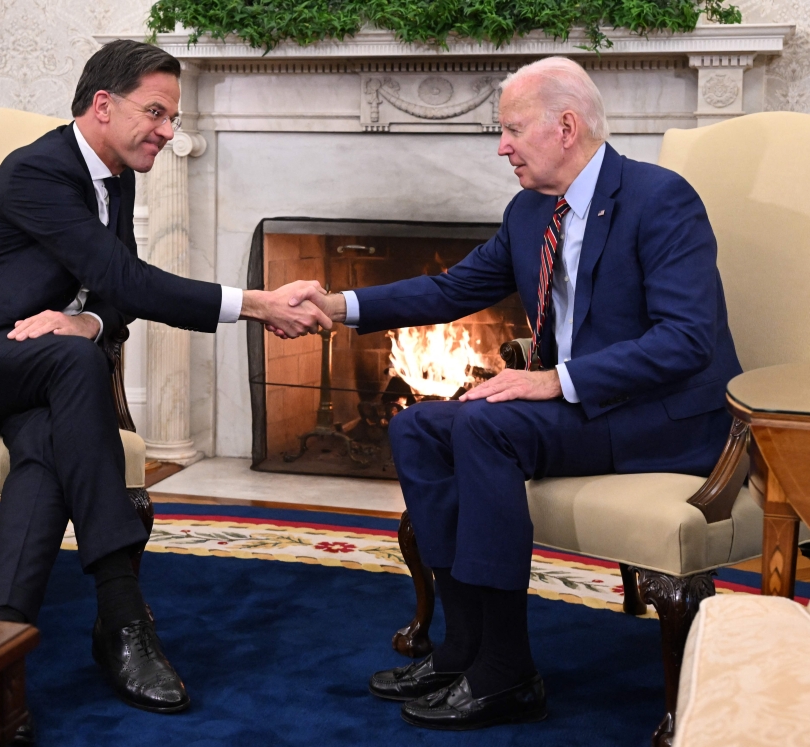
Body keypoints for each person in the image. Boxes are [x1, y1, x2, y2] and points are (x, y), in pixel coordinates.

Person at [295, 56, 742, 731]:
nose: (501, 146)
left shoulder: (661, 198)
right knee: (418, 427)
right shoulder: (532, 211)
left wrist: (552, 379)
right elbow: (450, 290)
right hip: (584, 412)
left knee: (483, 425)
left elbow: (687, 341)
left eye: (511, 129)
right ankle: (463, 647)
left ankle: (506, 671)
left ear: (565, 126)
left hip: (669, 420)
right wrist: (333, 304)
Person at [0, 40, 328, 724]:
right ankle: (123, 616)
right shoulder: (38, 172)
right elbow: (130, 279)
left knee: (46, 441)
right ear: (103, 105)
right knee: (73, 367)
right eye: (155, 112)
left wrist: (90, 325)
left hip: (43, 374)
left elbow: (113, 295)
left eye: (173, 116)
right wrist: (257, 302)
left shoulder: (114, 174)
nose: (168, 130)